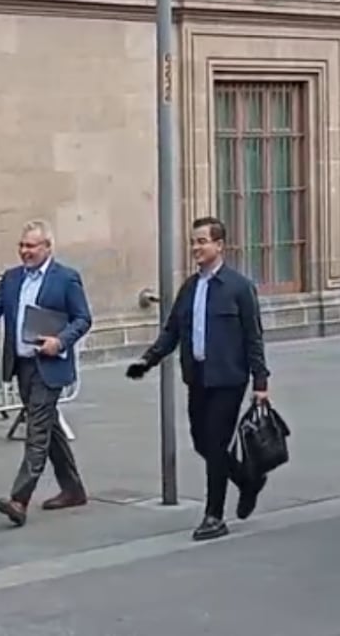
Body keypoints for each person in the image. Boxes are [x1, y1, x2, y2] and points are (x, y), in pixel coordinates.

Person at [126, 216, 271, 541]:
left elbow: (254, 337)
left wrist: (261, 382)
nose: (195, 247)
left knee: (217, 443)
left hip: (229, 379)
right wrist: (147, 360)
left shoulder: (239, 288)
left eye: (202, 241)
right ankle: (247, 479)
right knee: (202, 442)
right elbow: (172, 332)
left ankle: (214, 515)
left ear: (219, 246)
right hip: (198, 377)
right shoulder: (190, 288)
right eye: (193, 242)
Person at [0, 219, 92, 527]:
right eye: (22, 245)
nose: (25, 251)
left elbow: (83, 319)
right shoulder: (12, 278)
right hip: (23, 365)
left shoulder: (66, 279)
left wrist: (59, 341)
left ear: (48, 247)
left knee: (36, 429)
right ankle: (73, 489)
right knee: (48, 428)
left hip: (50, 363)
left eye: (31, 246)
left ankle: (20, 498)